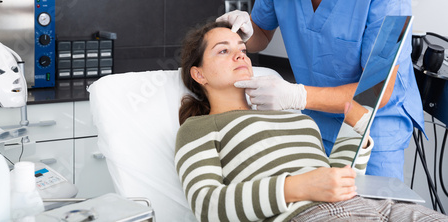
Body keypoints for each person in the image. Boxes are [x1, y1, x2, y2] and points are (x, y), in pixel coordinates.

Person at [216, 0, 424, 180]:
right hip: (313, 122)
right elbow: (262, 32)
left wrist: (295, 94)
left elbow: (377, 90)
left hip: (370, 125)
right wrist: (245, 33)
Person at [174, 21, 447, 222]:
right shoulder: (199, 128)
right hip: (310, 215)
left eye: (242, 48)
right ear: (199, 75)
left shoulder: (291, 116)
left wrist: (356, 130)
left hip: (377, 207)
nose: (240, 54)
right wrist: (296, 186)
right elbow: (207, 205)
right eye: (223, 51)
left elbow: (336, 178)